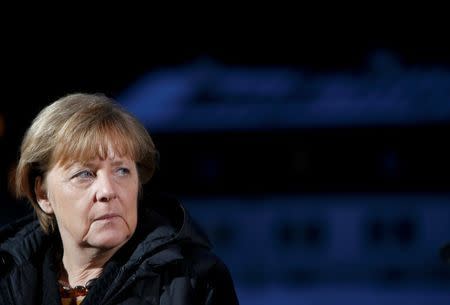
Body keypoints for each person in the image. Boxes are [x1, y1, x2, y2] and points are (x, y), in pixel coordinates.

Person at [0, 93, 239, 305]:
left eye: (122, 171)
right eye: (84, 174)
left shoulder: (194, 281)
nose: (107, 190)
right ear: (43, 194)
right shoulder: (6, 276)